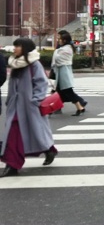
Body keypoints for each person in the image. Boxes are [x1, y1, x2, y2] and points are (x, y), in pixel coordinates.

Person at [1, 38, 57, 177]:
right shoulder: (15, 63)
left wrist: (35, 101)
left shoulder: (34, 64)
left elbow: (41, 83)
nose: (14, 49)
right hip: (15, 106)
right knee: (14, 132)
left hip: (29, 106)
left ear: (25, 48)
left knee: (35, 131)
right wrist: (10, 100)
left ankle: (48, 149)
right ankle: (12, 164)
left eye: (17, 46)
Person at [52, 30, 88, 116]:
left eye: (60, 39)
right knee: (61, 91)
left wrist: (56, 52)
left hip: (63, 71)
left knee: (68, 91)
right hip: (61, 71)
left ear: (64, 40)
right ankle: (78, 107)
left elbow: (58, 59)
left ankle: (80, 106)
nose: (58, 40)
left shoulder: (67, 49)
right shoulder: (64, 48)